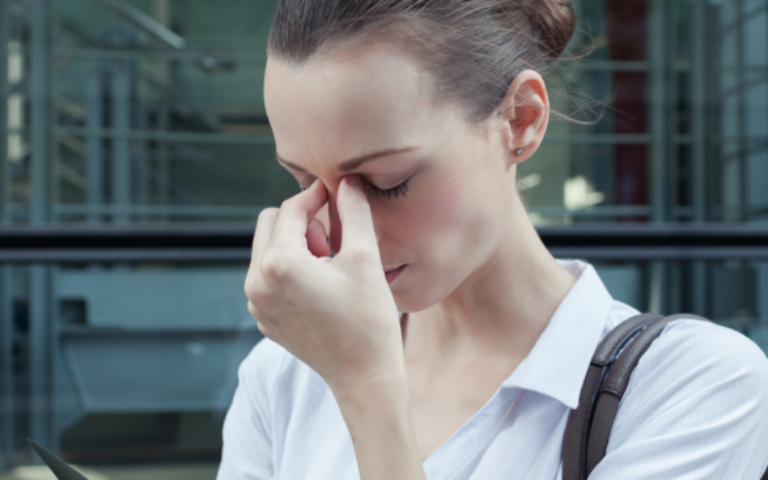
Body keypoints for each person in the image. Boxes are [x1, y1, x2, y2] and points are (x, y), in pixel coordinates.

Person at [217, 1, 768, 479]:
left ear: (521, 119)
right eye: (305, 182)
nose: (340, 234)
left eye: (389, 183)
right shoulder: (285, 375)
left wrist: (367, 386)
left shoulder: (693, 388)